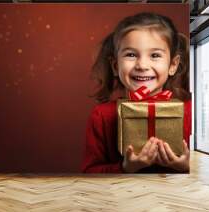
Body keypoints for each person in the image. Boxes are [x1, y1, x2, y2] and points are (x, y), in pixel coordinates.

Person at [81, 12, 191, 173]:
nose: (142, 65)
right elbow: (89, 172)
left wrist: (186, 167)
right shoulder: (101, 115)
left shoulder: (188, 110)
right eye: (131, 54)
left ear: (173, 65)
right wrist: (125, 168)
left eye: (155, 55)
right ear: (115, 66)